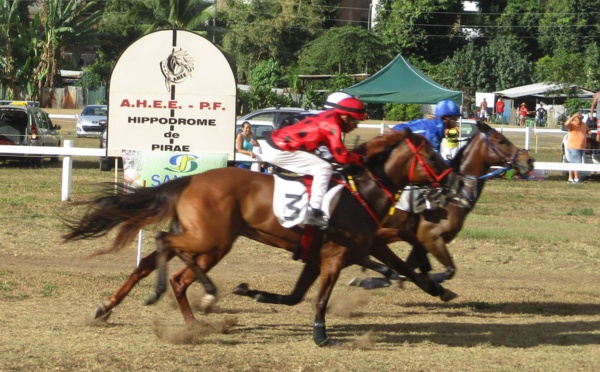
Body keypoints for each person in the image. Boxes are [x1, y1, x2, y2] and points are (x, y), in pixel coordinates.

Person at [260, 95, 366, 229]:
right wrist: (361, 159)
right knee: (324, 168)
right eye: (355, 122)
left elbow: (335, 152)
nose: (356, 127)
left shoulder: (330, 118)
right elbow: (342, 157)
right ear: (345, 116)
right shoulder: (332, 125)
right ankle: (313, 212)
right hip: (278, 149)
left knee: (324, 165)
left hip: (276, 145)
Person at [392, 99, 461, 153]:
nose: (456, 121)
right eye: (455, 117)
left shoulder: (435, 125)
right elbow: (433, 160)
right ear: (447, 117)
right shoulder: (434, 130)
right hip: (392, 142)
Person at [564, 112, 590, 183]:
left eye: (581, 118)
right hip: (574, 147)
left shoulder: (584, 124)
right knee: (576, 163)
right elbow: (566, 124)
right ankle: (576, 178)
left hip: (580, 147)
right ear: (575, 118)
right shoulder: (572, 125)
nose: (580, 119)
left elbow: (588, 130)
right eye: (578, 118)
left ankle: (570, 178)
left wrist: (589, 132)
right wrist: (573, 116)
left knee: (573, 163)